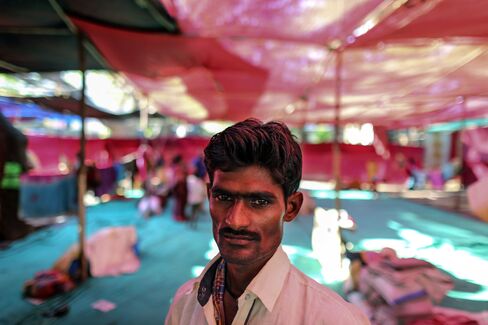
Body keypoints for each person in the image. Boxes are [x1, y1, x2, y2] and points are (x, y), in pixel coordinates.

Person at [165, 118, 369, 324]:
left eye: (259, 201)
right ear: (210, 196)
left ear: (291, 208)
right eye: (224, 198)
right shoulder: (185, 303)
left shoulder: (335, 319)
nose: (235, 221)